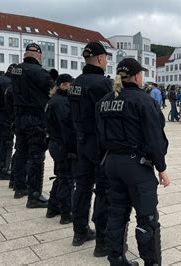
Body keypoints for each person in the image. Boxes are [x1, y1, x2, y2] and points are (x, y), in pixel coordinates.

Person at [96, 58, 170, 266]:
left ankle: (116, 259)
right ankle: (151, 263)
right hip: (136, 166)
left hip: (111, 163)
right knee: (147, 218)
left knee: (117, 213)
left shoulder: (104, 101)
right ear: (137, 76)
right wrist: (161, 167)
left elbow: (100, 135)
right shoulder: (144, 101)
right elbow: (155, 139)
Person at [68, 41, 111, 253]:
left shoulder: (76, 82)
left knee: (82, 187)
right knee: (102, 190)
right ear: (101, 59)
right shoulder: (103, 84)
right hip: (99, 144)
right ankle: (102, 242)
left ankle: (79, 231)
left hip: (81, 141)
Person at [10, 43, 54, 207]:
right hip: (35, 118)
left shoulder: (15, 69)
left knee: (21, 152)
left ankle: (19, 187)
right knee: (36, 157)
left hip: (19, 116)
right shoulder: (39, 72)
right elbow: (52, 90)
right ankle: (34, 195)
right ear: (38, 55)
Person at [45, 74, 76, 224]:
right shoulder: (62, 103)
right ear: (64, 85)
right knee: (66, 179)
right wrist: (73, 148)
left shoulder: (53, 100)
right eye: (71, 85)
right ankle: (66, 213)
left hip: (55, 143)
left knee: (61, 176)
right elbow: (67, 129)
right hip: (62, 145)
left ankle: (52, 207)